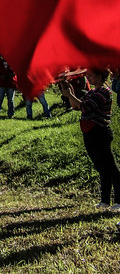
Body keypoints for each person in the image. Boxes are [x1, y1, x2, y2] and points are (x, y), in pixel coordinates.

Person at [60, 69, 120, 209]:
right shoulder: (92, 92)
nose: (89, 77)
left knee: (110, 167)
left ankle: (119, 200)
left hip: (100, 132)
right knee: (101, 167)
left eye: (91, 75)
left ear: (100, 76)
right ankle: (105, 200)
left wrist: (70, 95)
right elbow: (75, 106)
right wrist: (70, 94)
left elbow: (85, 107)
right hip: (90, 132)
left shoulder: (104, 92)